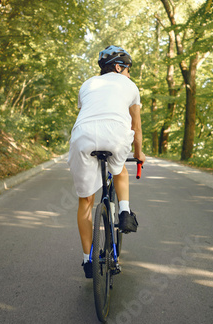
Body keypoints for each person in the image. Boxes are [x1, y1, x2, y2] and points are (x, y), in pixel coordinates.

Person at [67, 45, 146, 278]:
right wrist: (139, 153)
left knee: (85, 201)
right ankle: (124, 212)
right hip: (116, 135)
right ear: (119, 67)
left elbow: (88, 113)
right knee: (119, 170)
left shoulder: (87, 84)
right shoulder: (130, 86)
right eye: (128, 69)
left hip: (82, 137)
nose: (130, 74)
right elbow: (136, 127)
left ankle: (88, 260)